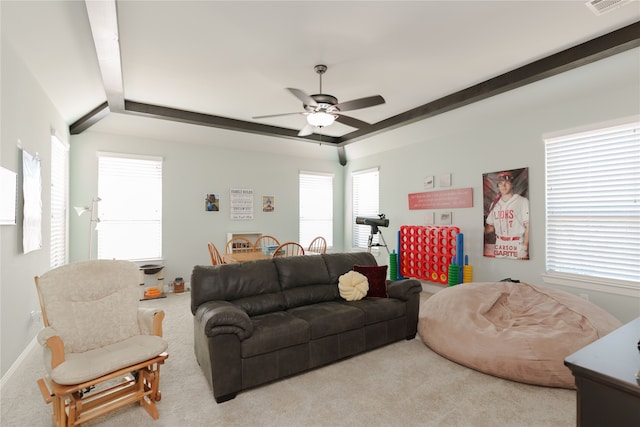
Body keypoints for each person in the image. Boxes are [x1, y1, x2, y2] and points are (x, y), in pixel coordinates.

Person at [485, 171, 529, 260]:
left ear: (512, 184)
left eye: (506, 183)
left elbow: (529, 226)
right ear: (498, 186)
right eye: (500, 183)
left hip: (516, 243)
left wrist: (524, 248)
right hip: (500, 244)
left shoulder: (522, 201)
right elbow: (491, 227)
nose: (503, 186)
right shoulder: (495, 204)